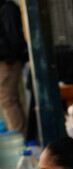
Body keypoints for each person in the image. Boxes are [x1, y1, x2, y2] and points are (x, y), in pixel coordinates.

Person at [0, 0, 27, 133]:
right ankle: (18, 133)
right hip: (7, 61)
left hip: (9, 62)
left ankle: (18, 135)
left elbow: (14, 39)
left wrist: (10, 60)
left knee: (8, 100)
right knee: (9, 100)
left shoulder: (7, 9)